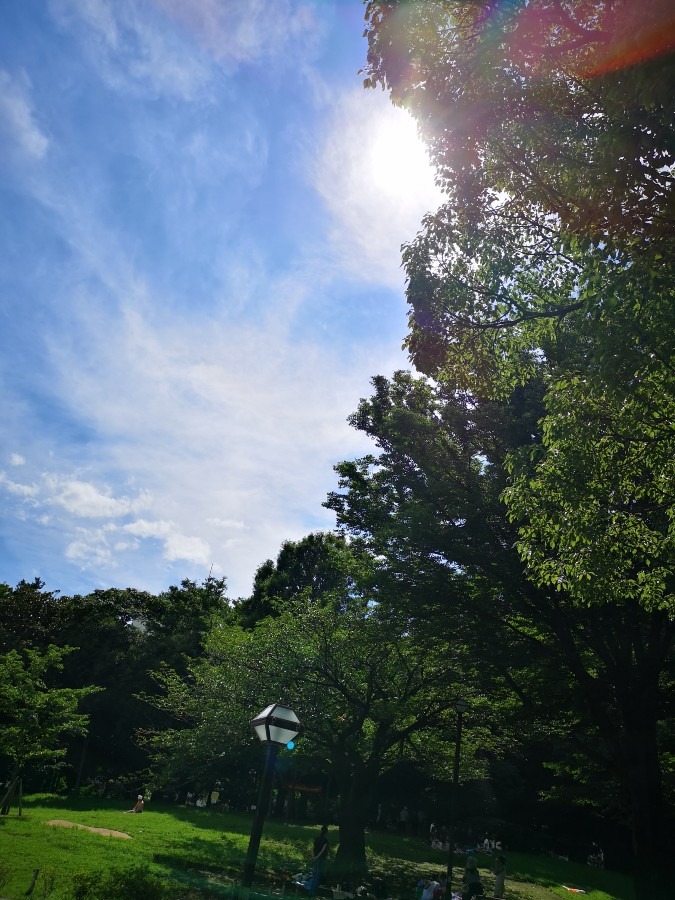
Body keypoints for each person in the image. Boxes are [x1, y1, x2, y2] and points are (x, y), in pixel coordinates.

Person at [308, 825, 329, 894]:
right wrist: (317, 857)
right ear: (326, 832)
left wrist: (313, 856)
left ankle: (310, 889)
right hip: (321, 858)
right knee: (318, 874)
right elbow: (323, 850)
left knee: (314, 873)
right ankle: (313, 891)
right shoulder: (325, 841)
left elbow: (312, 848)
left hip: (315, 857)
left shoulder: (316, 839)